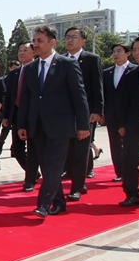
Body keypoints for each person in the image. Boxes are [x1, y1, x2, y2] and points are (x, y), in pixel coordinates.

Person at [17, 26, 89, 219]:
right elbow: (25, 99)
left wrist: (83, 125)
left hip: (61, 125)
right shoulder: (30, 68)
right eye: (34, 41)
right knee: (45, 166)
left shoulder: (67, 64)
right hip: (37, 125)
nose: (35, 44)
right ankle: (58, 201)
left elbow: (79, 95)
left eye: (40, 40)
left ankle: (43, 204)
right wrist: (22, 124)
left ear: (52, 42)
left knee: (54, 165)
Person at [63, 27, 103, 202]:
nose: (70, 40)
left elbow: (97, 87)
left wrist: (97, 111)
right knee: (68, 150)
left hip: (85, 114)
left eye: (74, 37)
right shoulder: (61, 60)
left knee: (81, 150)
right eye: (67, 37)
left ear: (83, 41)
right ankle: (78, 180)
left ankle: (77, 187)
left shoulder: (91, 60)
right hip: (64, 114)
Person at [2, 42, 39, 192]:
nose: (22, 53)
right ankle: (33, 172)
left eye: (25, 50)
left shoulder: (38, 69)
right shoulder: (14, 73)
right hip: (17, 115)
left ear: (34, 52)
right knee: (17, 149)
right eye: (20, 50)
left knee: (33, 148)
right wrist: (6, 116)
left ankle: (29, 180)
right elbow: (9, 97)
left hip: (34, 115)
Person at [116, 36, 139, 207]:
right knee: (129, 161)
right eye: (135, 50)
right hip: (133, 125)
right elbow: (123, 101)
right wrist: (121, 124)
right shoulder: (130, 74)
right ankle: (132, 194)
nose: (137, 53)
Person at [101, 42, 136, 183]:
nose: (116, 54)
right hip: (112, 114)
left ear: (128, 53)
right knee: (115, 144)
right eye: (114, 51)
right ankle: (120, 172)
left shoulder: (135, 70)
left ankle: (129, 171)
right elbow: (103, 94)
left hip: (129, 115)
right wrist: (102, 113)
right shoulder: (107, 72)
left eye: (119, 51)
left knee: (129, 144)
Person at [0, 60, 20, 155]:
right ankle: (0, 145)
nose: (15, 70)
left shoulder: (20, 78)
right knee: (5, 130)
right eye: (14, 68)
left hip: (15, 110)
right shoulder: (4, 80)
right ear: (10, 68)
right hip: (5, 109)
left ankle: (13, 149)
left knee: (15, 131)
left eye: (17, 68)